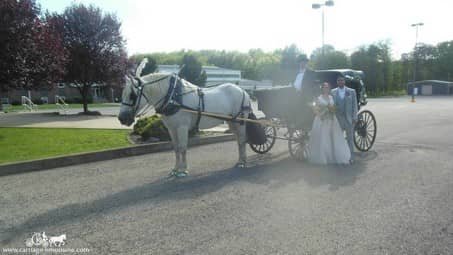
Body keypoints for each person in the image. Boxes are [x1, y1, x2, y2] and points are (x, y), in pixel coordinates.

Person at [308, 82, 351, 164]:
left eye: (327, 87)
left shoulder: (331, 97)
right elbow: (315, 109)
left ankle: (333, 155)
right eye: (324, 87)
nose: (326, 89)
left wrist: (332, 110)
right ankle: (324, 157)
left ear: (329, 89)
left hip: (331, 120)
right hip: (322, 120)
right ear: (322, 89)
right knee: (324, 139)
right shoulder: (319, 98)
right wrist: (321, 114)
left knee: (332, 138)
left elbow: (333, 108)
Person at [331, 76, 358, 163]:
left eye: (342, 80)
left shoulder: (351, 91)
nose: (340, 82)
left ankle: (351, 156)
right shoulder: (333, 92)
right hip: (338, 119)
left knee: (350, 139)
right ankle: (340, 156)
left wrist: (354, 117)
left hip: (349, 119)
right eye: (338, 80)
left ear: (344, 81)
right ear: (337, 82)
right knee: (339, 138)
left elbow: (354, 105)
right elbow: (331, 105)